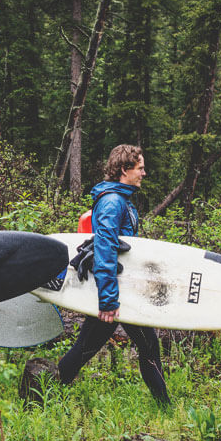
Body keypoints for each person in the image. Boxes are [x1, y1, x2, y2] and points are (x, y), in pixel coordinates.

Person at [57, 144, 170, 405]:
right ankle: (166, 409)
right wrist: (108, 300)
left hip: (117, 287)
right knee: (148, 347)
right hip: (114, 290)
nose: (144, 173)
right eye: (140, 168)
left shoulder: (120, 200)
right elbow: (104, 248)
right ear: (124, 169)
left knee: (87, 348)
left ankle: (42, 395)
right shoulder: (112, 202)